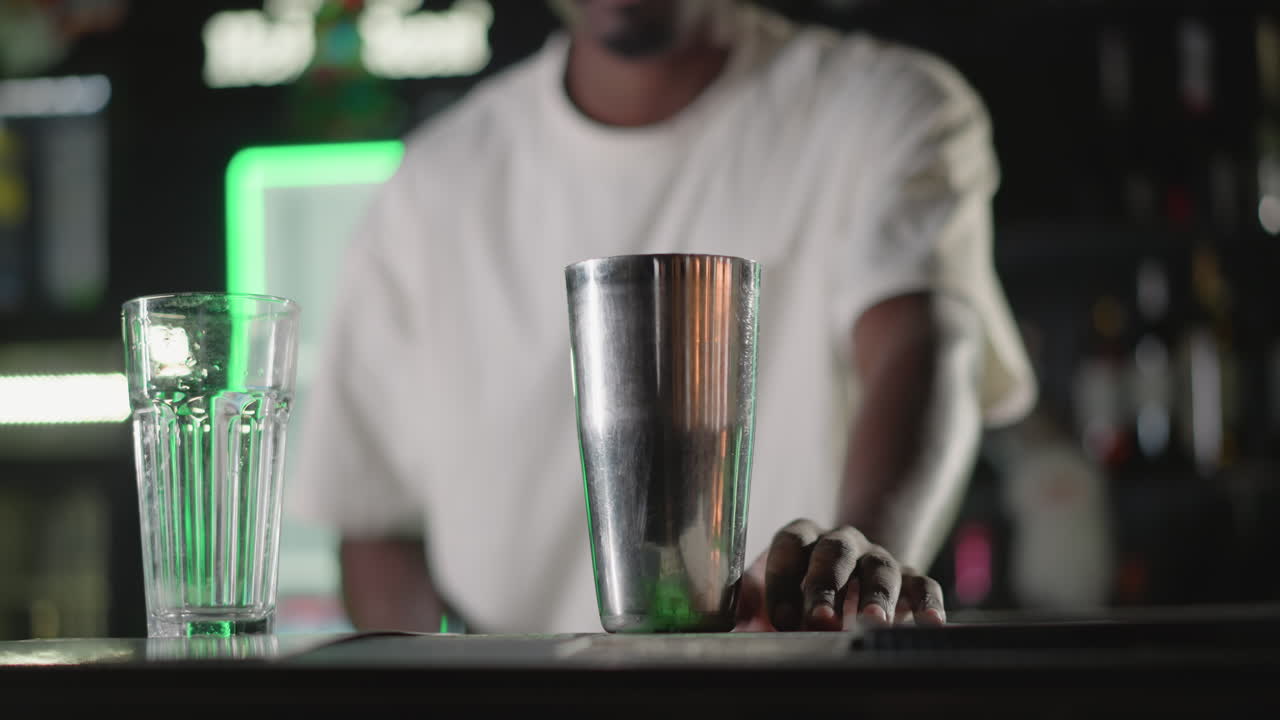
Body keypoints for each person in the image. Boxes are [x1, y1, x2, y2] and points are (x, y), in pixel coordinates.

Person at [289, 0, 1037, 634]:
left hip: (788, 694)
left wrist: (853, 575)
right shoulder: (431, 188)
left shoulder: (881, 107)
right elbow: (375, 522)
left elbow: (922, 347)